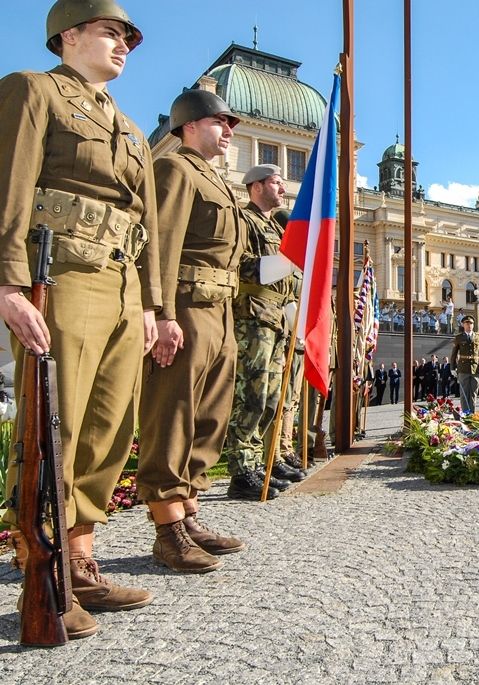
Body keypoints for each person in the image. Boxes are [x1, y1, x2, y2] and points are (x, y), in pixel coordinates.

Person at [0, 0, 157, 638]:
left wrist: (149, 304)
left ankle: (81, 556)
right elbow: (9, 186)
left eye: (128, 38)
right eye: (110, 32)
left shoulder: (132, 129)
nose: (123, 45)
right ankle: (44, 567)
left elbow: (145, 224)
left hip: (121, 284)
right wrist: (8, 282)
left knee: (108, 429)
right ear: (68, 35)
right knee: (53, 423)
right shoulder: (33, 91)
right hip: (61, 276)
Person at [137, 89, 246, 573]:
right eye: (220, 122)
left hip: (220, 312)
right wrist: (162, 314)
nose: (228, 132)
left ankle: (189, 511)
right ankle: (167, 529)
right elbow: (160, 245)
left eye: (230, 124)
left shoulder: (215, 179)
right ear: (189, 125)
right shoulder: (175, 169)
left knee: (209, 416)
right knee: (173, 412)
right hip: (185, 307)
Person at [222, 163, 305, 502]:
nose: (282, 189)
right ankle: (241, 470)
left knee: (271, 398)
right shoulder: (245, 221)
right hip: (253, 317)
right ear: (256, 186)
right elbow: (238, 264)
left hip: (276, 319)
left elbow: (288, 281)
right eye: (275, 182)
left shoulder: (276, 227)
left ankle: (258, 462)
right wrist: (282, 262)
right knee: (251, 396)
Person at [452, 314, 479, 414]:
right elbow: (454, 354)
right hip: (463, 368)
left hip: (475, 368)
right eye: (467, 323)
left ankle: (472, 414)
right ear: (463, 325)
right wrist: (452, 368)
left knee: (473, 393)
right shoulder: (458, 337)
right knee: (464, 393)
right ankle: (465, 413)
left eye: (471, 323)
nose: (469, 325)